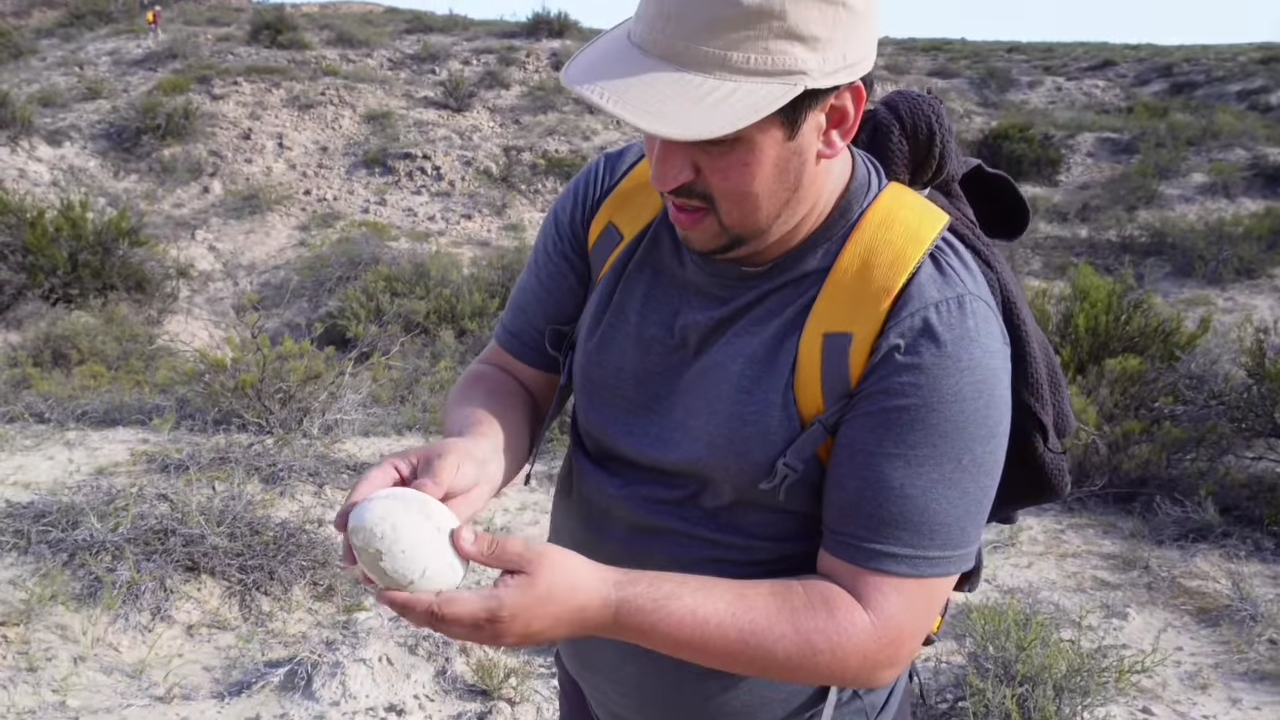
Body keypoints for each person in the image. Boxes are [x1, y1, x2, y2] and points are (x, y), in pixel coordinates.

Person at [333, 1, 1014, 719]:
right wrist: (476, 451)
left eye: (713, 135)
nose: (665, 171)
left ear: (835, 120)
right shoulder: (615, 202)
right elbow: (513, 375)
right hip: (593, 694)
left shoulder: (923, 316)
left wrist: (604, 603)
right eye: (653, 119)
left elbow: (875, 629)